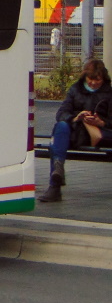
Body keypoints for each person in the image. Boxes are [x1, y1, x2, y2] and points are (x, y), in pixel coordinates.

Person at [38, 58, 112, 203]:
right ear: (85, 76)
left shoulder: (109, 93)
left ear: (103, 78)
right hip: (77, 131)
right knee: (61, 127)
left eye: (98, 80)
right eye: (91, 79)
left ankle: (55, 184)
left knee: (57, 140)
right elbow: (61, 113)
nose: (93, 83)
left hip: (101, 133)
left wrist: (101, 122)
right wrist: (76, 117)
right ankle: (57, 176)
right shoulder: (75, 90)